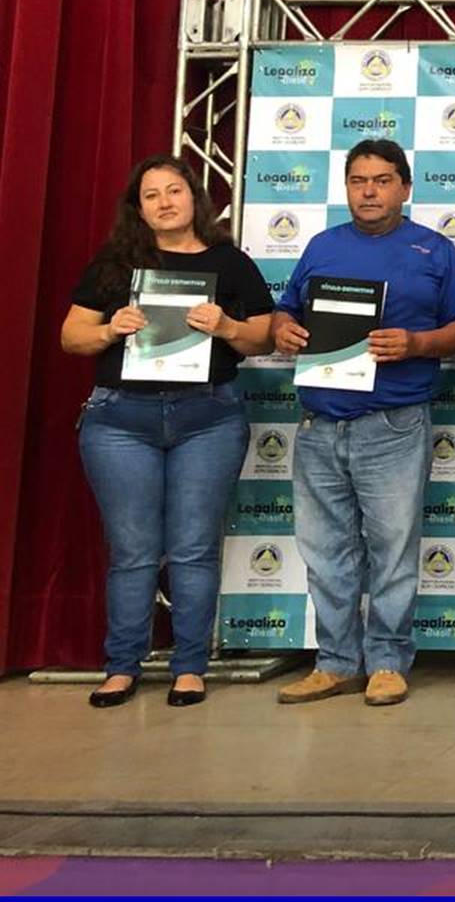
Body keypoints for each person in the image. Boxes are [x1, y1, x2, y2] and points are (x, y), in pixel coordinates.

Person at [269, 140, 455, 707]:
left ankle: (387, 661)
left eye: (382, 180)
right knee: (324, 554)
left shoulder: (434, 250)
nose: (369, 191)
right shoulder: (322, 245)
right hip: (319, 425)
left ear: (405, 188)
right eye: (358, 180)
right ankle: (335, 662)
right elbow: (287, 309)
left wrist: (416, 343)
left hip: (393, 424)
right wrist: (283, 327)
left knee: (392, 552)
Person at [60, 155, 274, 707]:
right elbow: (71, 336)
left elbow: (264, 337)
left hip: (208, 419)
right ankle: (121, 666)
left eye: (174, 190)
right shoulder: (115, 264)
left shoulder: (230, 262)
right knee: (132, 551)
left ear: (194, 198)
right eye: (151, 195)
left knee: (193, 548)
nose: (164, 202)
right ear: (138, 209)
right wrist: (110, 329)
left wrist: (227, 325)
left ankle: (190, 667)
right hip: (120, 421)